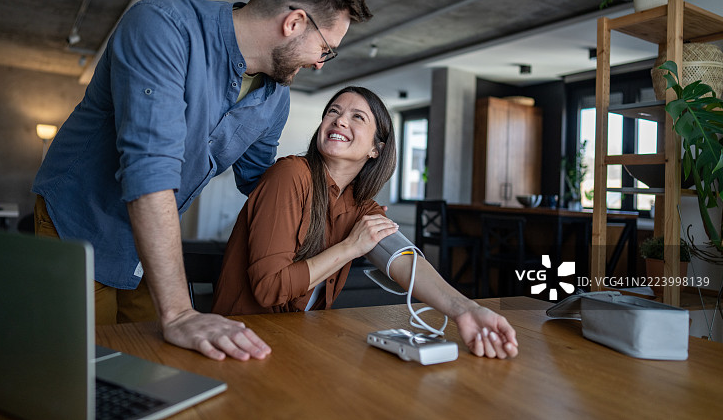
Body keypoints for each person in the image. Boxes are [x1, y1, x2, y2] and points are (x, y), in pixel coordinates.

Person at [32, 0, 372, 361]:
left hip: (151, 242)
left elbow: (259, 181)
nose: (321, 64)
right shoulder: (163, 26)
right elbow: (149, 173)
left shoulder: (274, 98)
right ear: (294, 22)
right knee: (84, 364)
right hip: (81, 223)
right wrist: (178, 312)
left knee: (153, 364)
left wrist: (337, 199)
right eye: (326, 49)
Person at [211, 86, 518, 359]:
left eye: (357, 117)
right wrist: (350, 248)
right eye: (333, 111)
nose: (340, 120)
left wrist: (466, 310)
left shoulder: (361, 207)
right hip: (243, 341)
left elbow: (405, 264)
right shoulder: (290, 174)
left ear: (376, 149)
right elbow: (269, 289)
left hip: (295, 342)